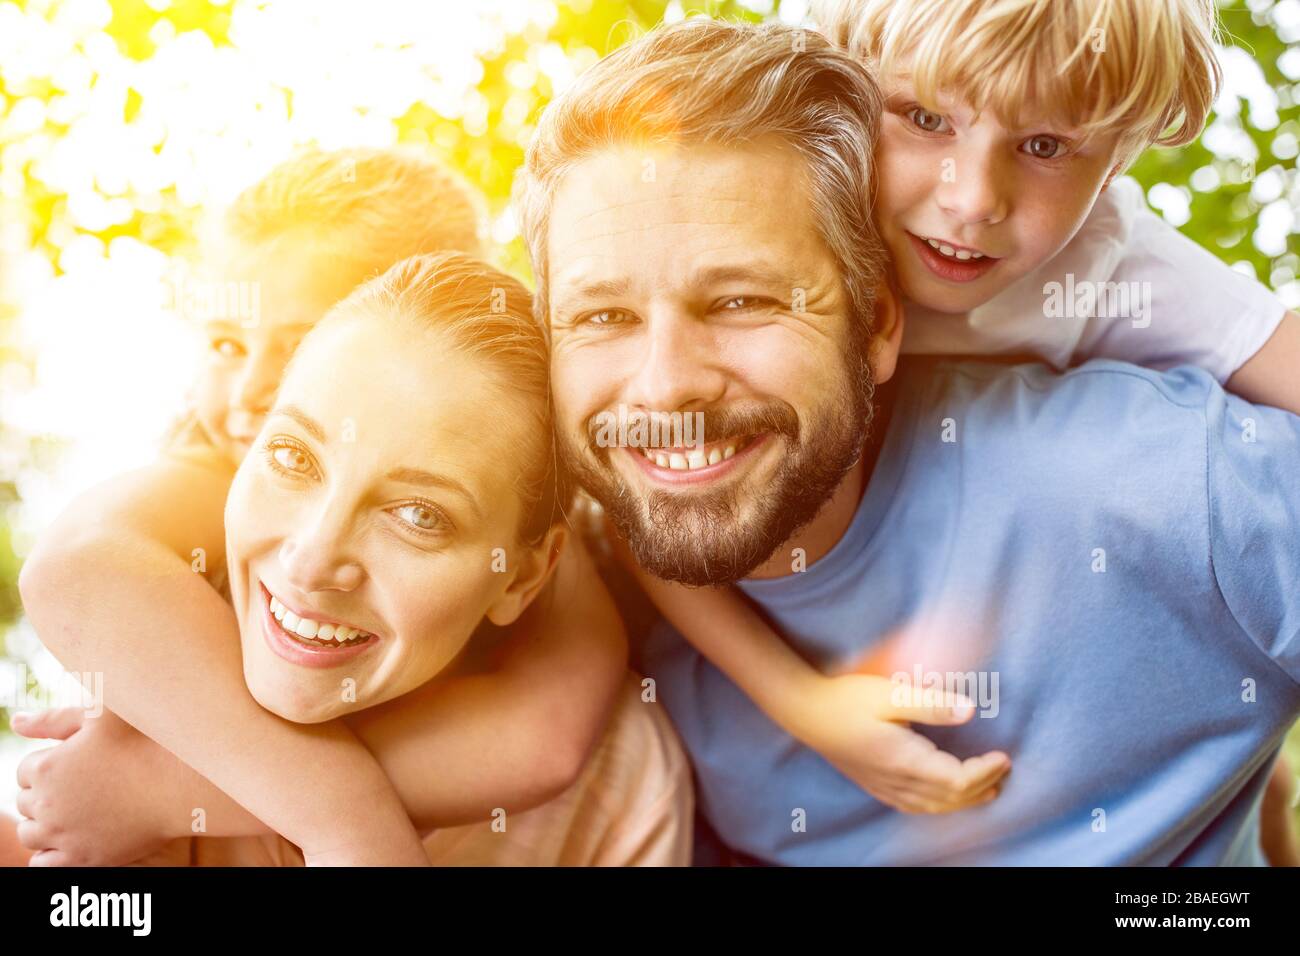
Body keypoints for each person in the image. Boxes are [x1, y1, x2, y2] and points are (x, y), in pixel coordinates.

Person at [521, 17, 1300, 864]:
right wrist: (800, 702)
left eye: (743, 300)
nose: (971, 200)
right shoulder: (599, 578)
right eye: (925, 119)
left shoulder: (1160, 406)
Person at [6, 151, 668, 864]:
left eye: (296, 346)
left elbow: (546, 737)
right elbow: (73, 569)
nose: (251, 390)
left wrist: (178, 789)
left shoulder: (535, 557)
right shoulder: (211, 472)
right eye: (227, 344)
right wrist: (340, 819)